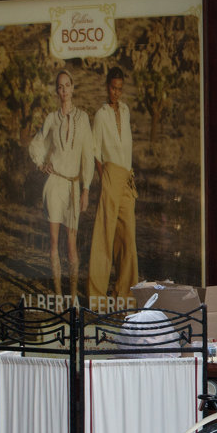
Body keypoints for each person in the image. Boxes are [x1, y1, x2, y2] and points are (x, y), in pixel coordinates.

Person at [28, 70, 94, 302]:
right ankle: (58, 296)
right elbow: (36, 144)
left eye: (67, 85)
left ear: (73, 88)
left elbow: (88, 155)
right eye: (59, 87)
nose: (64, 90)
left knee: (71, 244)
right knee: (54, 242)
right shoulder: (51, 119)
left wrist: (86, 188)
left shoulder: (83, 119)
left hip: (73, 187)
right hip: (54, 184)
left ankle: (73, 296)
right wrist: (41, 164)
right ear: (57, 91)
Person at [88, 67, 139, 308]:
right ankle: (97, 297)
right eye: (112, 88)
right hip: (110, 175)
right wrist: (103, 178)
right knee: (104, 237)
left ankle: (125, 294)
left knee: (128, 237)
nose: (116, 93)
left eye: (120, 88)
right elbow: (95, 151)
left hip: (127, 179)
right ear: (106, 86)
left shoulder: (127, 112)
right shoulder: (100, 115)